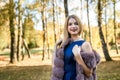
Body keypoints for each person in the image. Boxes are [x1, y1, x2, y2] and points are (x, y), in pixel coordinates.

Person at [51, 14, 100, 80]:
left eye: (76, 24)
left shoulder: (85, 44)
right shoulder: (65, 44)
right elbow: (55, 66)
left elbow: (89, 73)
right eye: (70, 24)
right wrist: (55, 46)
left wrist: (78, 57)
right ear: (67, 27)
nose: (73, 26)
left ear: (80, 26)